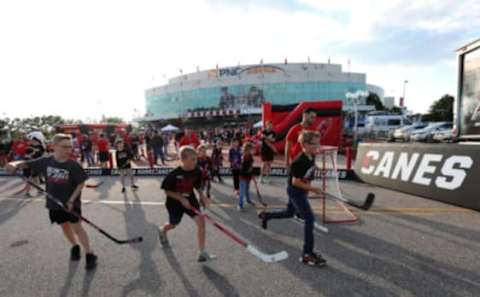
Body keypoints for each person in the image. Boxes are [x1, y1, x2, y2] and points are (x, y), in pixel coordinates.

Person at [5, 134, 98, 270]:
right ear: (53, 146)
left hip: (71, 204)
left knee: (77, 228)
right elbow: (24, 163)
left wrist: (71, 200)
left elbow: (81, 183)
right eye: (64, 147)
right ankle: (74, 246)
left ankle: (90, 254)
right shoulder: (46, 162)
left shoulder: (73, 165)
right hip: (54, 203)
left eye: (70, 147)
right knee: (64, 227)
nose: (68, 150)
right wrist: (13, 164)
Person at [259, 131, 327, 267]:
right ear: (305, 145)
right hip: (296, 191)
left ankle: (266, 215)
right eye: (315, 144)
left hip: (301, 190)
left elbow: (311, 167)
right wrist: (313, 189)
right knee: (310, 219)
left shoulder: (311, 156)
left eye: (318, 143)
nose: (318, 146)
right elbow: (296, 182)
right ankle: (307, 254)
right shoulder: (299, 161)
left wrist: (318, 169)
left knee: (289, 213)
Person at [158, 146, 214, 262]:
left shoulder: (197, 170)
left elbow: (197, 185)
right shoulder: (173, 174)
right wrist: (180, 198)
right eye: (192, 159)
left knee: (201, 222)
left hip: (190, 199)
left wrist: (202, 196)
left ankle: (202, 252)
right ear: (183, 159)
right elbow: (167, 191)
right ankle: (163, 230)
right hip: (174, 203)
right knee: (173, 224)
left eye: (196, 159)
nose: (195, 162)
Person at [238, 142, 254, 211]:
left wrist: (251, 172)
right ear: (247, 149)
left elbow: (251, 164)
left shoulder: (250, 155)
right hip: (243, 176)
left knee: (247, 189)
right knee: (242, 191)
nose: (251, 151)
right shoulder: (243, 157)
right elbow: (241, 169)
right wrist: (248, 170)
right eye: (250, 149)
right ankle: (240, 205)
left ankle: (248, 200)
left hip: (248, 176)